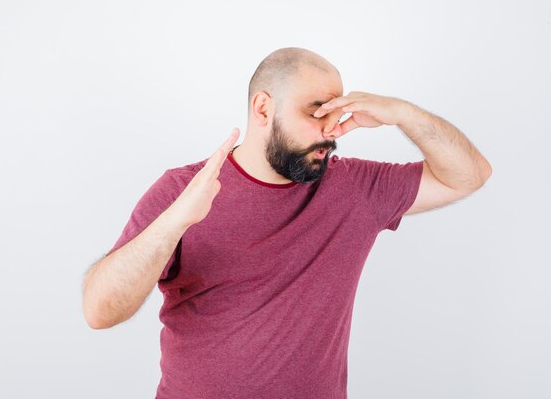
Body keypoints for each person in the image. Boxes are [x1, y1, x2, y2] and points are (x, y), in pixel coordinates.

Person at [82, 47, 492, 399]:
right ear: (263, 108)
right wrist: (175, 222)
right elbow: (100, 311)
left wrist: (403, 114)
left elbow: (468, 175)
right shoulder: (184, 189)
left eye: (336, 114)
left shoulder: (353, 187)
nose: (331, 131)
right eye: (316, 113)